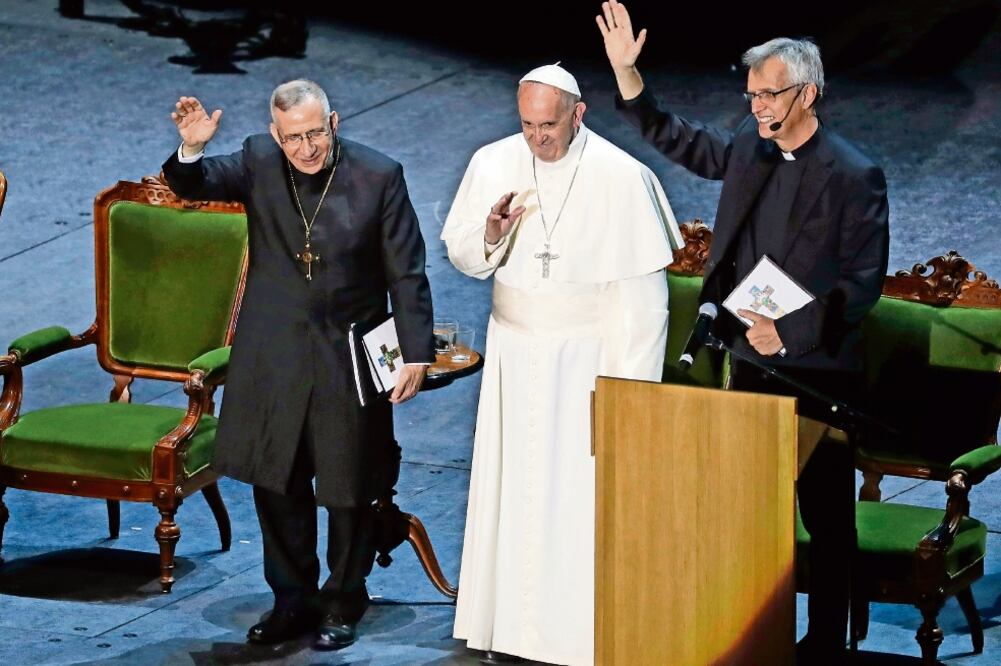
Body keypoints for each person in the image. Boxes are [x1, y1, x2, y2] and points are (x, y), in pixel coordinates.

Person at [598, 2, 890, 661]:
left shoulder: (852, 175)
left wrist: (786, 332)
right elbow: (678, 139)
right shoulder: (747, 148)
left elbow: (860, 282)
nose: (756, 105)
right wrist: (628, 78)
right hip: (745, 363)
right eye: (751, 93)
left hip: (813, 371)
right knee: (746, 514)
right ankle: (752, 639)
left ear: (807, 93)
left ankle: (823, 647)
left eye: (769, 94)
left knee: (825, 520)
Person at [161, 79, 434, 650]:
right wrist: (191, 150)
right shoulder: (259, 160)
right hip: (273, 354)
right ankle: (292, 600)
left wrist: (414, 353)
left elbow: (406, 272)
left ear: (333, 122)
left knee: (347, 484)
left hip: (348, 352)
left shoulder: (379, 175)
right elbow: (194, 184)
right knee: (276, 480)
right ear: (273, 134)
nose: (306, 148)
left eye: (314, 133)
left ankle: (342, 599)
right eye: (293, 138)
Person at [442, 63, 683, 666]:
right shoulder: (494, 161)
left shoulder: (623, 178)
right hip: (513, 351)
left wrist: (627, 392)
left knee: (572, 499)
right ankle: (506, 631)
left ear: (578, 114)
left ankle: (573, 637)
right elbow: (464, 255)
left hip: (586, 361)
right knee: (513, 493)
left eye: (548, 125)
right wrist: (492, 232)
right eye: (527, 125)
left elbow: (645, 303)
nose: (537, 139)